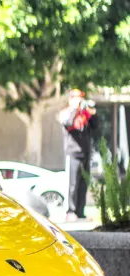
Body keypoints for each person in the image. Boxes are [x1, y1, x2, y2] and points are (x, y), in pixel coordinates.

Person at [59, 89, 98, 221]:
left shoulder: (84, 115)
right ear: (70, 99)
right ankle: (70, 211)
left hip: (86, 153)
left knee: (83, 183)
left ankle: (80, 212)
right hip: (73, 154)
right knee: (72, 184)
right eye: (77, 98)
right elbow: (68, 123)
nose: (80, 101)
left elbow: (96, 126)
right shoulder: (66, 113)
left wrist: (92, 113)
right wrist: (75, 109)